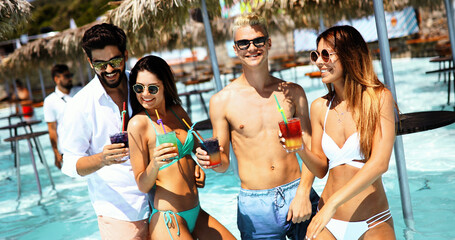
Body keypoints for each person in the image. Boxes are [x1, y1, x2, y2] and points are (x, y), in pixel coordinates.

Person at [58, 23, 205, 240]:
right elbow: (69, 164)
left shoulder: (142, 85)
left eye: (115, 61)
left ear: (125, 55)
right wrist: (102, 159)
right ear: (90, 62)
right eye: (100, 64)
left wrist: (191, 162)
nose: (109, 70)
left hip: (164, 202)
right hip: (122, 212)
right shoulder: (79, 106)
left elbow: (170, 126)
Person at [195, 12, 319, 239]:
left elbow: (312, 149)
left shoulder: (293, 92)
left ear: (268, 43)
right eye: (243, 43)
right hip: (255, 206)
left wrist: (303, 193)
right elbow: (223, 164)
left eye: (258, 41)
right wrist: (210, 162)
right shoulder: (222, 101)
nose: (251, 48)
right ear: (235, 49)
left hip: (297, 190)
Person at [296, 25, 396, 239]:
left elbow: (380, 164)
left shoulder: (379, 99)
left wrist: (333, 202)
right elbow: (321, 168)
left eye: (326, 54)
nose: (319, 61)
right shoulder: (319, 108)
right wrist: (300, 148)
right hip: (327, 222)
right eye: (316, 55)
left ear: (349, 56)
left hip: (372, 221)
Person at [127, 55, 235, 240]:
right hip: (168, 218)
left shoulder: (178, 112)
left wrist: (197, 164)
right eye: (139, 88)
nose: (145, 94)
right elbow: (142, 184)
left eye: (152, 88)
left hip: (196, 211)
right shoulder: (138, 124)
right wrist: (155, 163)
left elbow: (198, 149)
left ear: (165, 86)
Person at [43, 64, 82, 169]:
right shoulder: (50, 101)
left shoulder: (81, 92)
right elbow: (52, 129)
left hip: (86, 146)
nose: (70, 79)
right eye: (66, 76)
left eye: (70, 75)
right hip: (67, 151)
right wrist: (56, 152)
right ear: (57, 79)